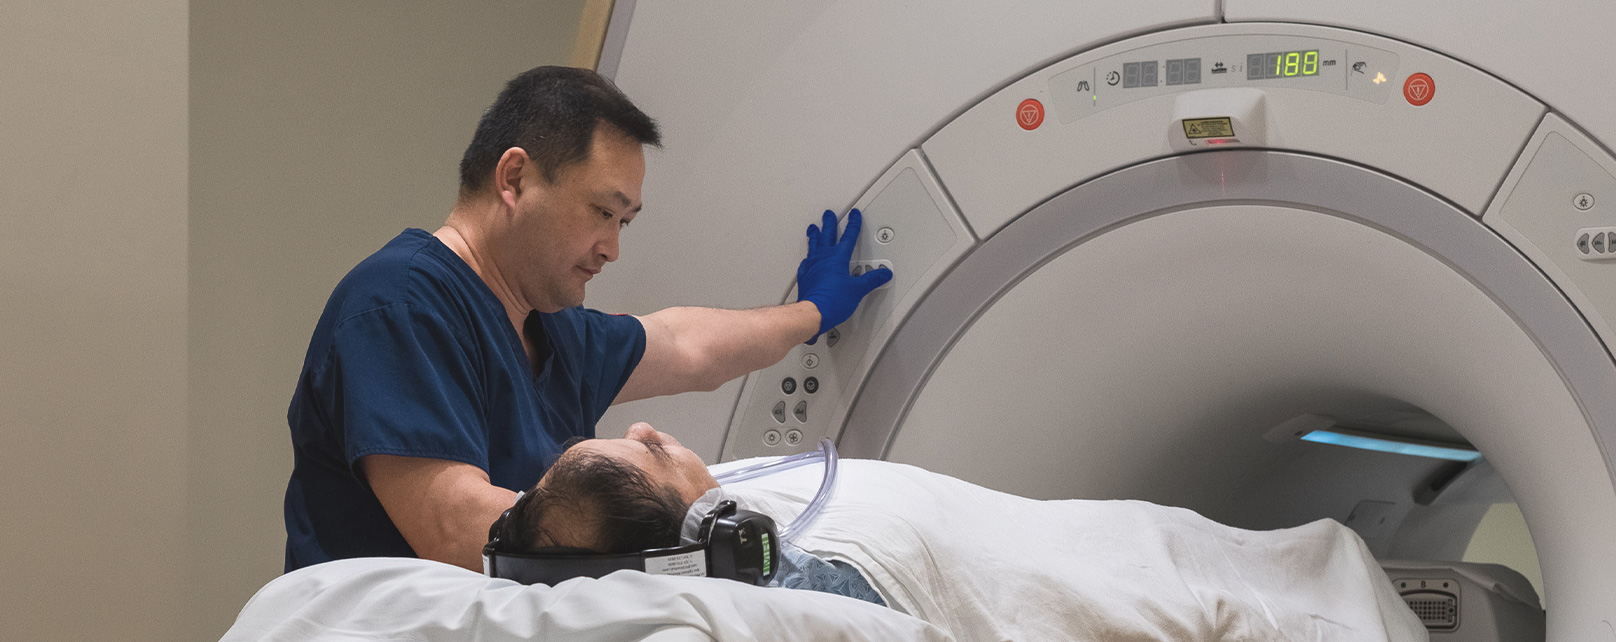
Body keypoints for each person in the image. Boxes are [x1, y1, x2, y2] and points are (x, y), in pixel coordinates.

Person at [283, 65, 892, 573]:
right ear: (515, 178)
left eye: (624, 222)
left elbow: (687, 346)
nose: (612, 248)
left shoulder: (551, 328)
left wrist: (813, 311)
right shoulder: (400, 305)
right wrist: (679, 538)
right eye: (602, 212)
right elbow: (458, 530)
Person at [501, 425, 1431, 642]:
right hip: (1143, 567)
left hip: (1080, 530)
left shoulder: (741, 489)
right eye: (647, 450)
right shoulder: (808, 584)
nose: (650, 429)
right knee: (1271, 580)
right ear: (700, 526)